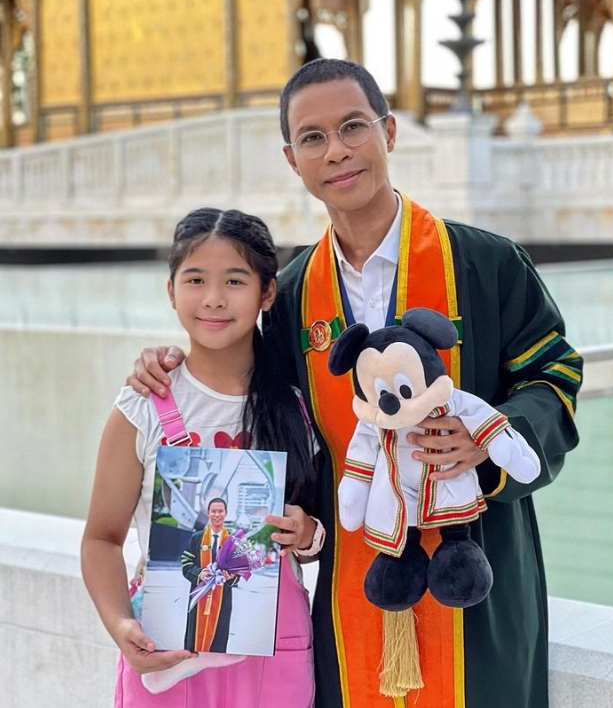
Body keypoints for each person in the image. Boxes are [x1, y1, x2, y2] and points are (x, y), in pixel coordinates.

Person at [128, 59, 584, 708]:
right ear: (292, 160)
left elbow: (554, 375)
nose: (336, 151)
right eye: (312, 138)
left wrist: (489, 442)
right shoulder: (291, 297)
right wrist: (168, 365)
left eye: (352, 127)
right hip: (354, 575)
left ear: (388, 132)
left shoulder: (485, 264)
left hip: (478, 568)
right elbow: (250, 397)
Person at [81, 207, 320, 708]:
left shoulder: (298, 408)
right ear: (171, 291)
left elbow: (324, 530)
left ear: (267, 292)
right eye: (195, 280)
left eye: (234, 280)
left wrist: (306, 533)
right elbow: (102, 538)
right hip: (166, 652)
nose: (213, 298)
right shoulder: (143, 406)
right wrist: (121, 624)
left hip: (274, 648)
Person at [181, 497, 239, 654]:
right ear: (208, 513)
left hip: (222, 597)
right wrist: (199, 573)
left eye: (220, 511)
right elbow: (186, 563)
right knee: (194, 637)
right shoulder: (196, 538)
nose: (217, 515)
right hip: (199, 594)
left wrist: (231, 577)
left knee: (219, 636)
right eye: (214, 511)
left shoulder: (232, 541)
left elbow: (238, 569)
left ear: (226, 513)